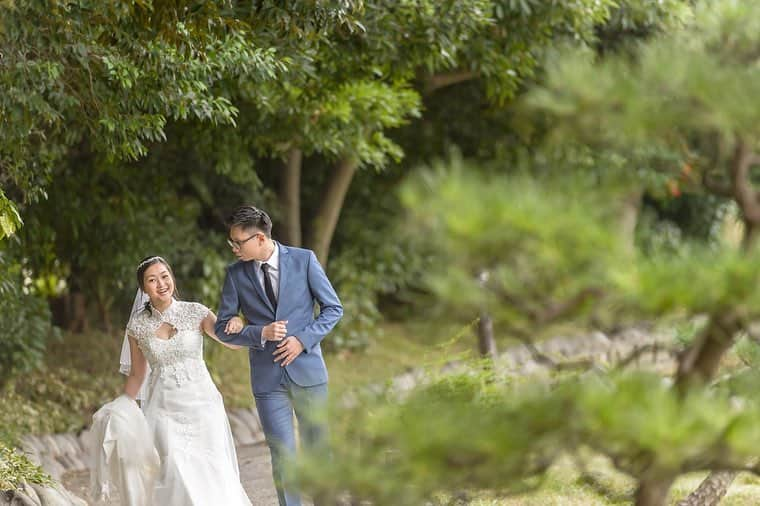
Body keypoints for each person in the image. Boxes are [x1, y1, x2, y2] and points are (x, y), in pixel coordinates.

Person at [90, 256, 251, 506]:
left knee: (212, 468)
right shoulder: (137, 326)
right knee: (173, 468)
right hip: (163, 407)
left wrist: (239, 324)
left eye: (165, 276)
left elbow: (231, 342)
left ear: (172, 278)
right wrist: (123, 405)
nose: (161, 283)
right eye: (152, 280)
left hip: (203, 405)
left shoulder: (196, 311)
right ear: (144, 289)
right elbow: (137, 374)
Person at [215, 205, 343, 506]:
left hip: (308, 372)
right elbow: (222, 328)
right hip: (267, 379)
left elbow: (333, 308)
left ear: (259, 238)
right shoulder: (235, 275)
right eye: (231, 242)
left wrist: (302, 340)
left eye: (238, 242)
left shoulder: (304, 260)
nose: (233, 248)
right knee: (282, 456)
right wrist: (258, 332)